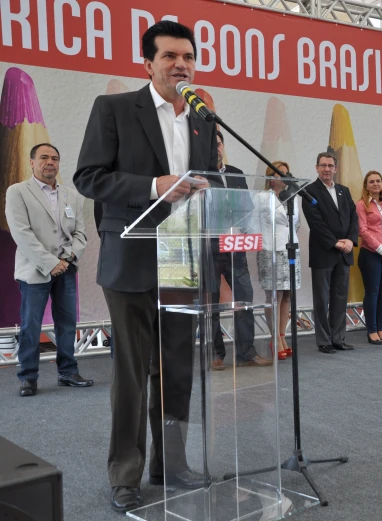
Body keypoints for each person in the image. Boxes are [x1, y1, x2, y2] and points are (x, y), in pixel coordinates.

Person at [73, 21, 219, 512]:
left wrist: (209, 190)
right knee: (133, 374)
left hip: (183, 258)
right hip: (131, 258)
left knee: (177, 369)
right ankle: (127, 473)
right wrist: (156, 186)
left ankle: (170, 465)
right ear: (148, 63)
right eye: (170, 56)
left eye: (188, 57)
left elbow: (206, 181)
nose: (182, 64)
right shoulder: (114, 108)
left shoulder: (202, 119)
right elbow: (90, 177)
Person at [5, 143, 92, 397]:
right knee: (31, 325)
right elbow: (21, 233)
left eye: (54, 158)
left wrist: (66, 258)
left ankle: (68, 372)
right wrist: (50, 263)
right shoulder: (18, 192)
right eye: (43, 157)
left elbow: (80, 233)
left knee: (67, 324)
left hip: (66, 268)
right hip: (35, 270)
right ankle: (28, 377)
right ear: (32, 162)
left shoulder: (72, 195)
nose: (50, 162)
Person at [210, 131, 270, 369]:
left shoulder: (235, 173)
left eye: (218, 144)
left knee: (245, 298)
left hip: (236, 246)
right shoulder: (198, 175)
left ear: (223, 146)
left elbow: (246, 206)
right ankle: (215, 353)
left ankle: (246, 352)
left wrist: (245, 228)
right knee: (211, 301)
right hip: (210, 245)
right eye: (211, 145)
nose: (216, 149)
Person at [301, 151, 359, 353]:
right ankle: (324, 341)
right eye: (323, 165)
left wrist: (351, 240)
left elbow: (354, 217)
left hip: (344, 253)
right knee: (322, 298)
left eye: (330, 165)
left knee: (340, 298)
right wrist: (335, 243)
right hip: (324, 252)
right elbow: (316, 224)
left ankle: (338, 338)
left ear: (336, 168)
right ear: (317, 167)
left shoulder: (344, 190)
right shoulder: (309, 191)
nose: (327, 169)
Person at [256, 160, 301, 359]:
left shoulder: (293, 196)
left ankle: (283, 335)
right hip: (270, 249)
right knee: (274, 296)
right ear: (270, 177)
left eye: (286, 172)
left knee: (287, 296)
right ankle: (274, 338)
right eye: (279, 173)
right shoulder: (261, 197)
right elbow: (255, 222)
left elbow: (296, 223)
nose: (283, 176)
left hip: (290, 248)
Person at [356, 171, 382, 344]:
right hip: (371, 255)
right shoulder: (361, 205)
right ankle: (372, 330)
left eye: (378, 181)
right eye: (371, 181)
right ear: (366, 185)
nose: (375, 184)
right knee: (373, 292)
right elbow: (363, 231)